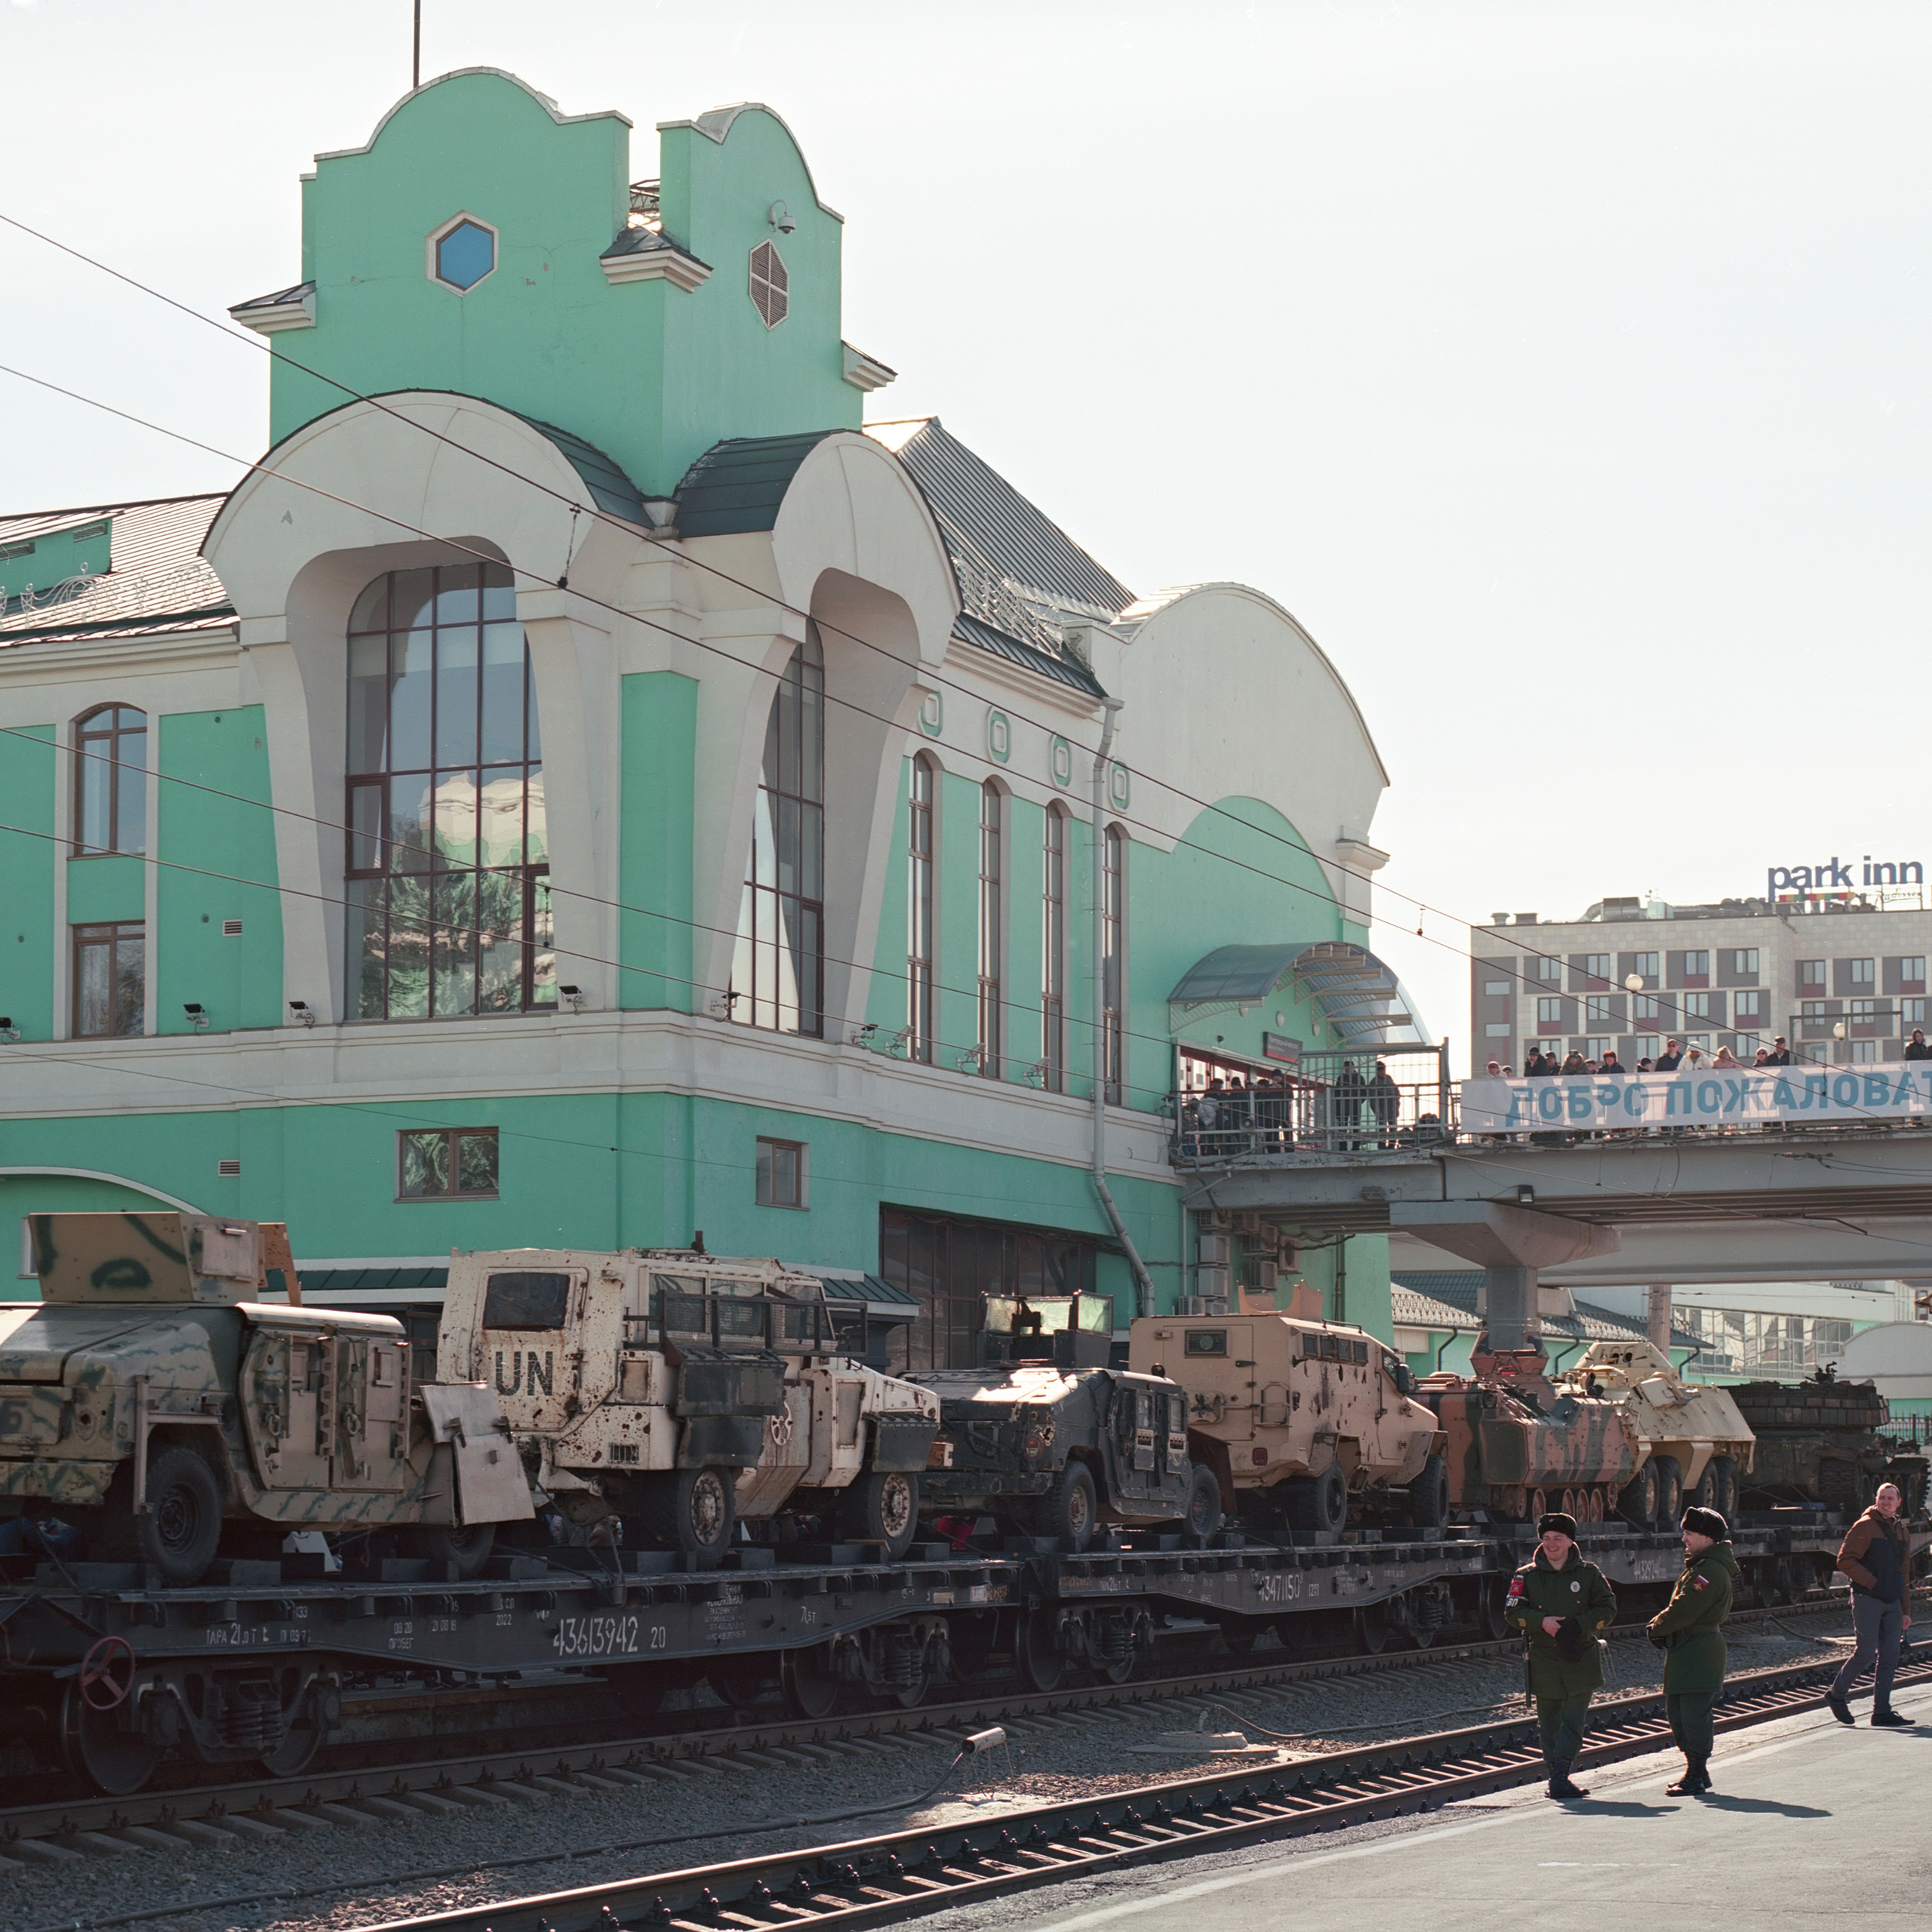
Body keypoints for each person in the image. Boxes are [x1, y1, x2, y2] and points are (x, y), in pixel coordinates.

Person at [1504, 1509, 1618, 1801]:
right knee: (1549, 1722)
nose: (1551, 1544)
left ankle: (1560, 1774)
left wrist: (1580, 1625)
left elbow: (1608, 1609)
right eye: (1546, 1539)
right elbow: (1511, 1611)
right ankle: (1558, 1776)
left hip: (1580, 1655)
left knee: (1573, 1719)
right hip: (1544, 1658)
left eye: (1558, 1538)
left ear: (1570, 1542)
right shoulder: (1525, 1576)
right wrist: (1541, 1622)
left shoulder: (1589, 1574)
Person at [1647, 1505, 1738, 1795]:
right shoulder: (1702, 1565)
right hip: (1688, 1649)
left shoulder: (1709, 1570)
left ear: (1707, 1538)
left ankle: (1696, 1774)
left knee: (1694, 1715)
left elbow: (1684, 1607)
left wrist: (1656, 1627)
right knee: (1679, 1713)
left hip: (1699, 1651)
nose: (1684, 1539)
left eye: (1689, 1533)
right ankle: (1697, 1770)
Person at [1826, 1481, 1913, 1727]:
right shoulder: (1864, 1527)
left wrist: (1906, 1610)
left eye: (1890, 1498)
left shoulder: (1902, 1531)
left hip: (1892, 1602)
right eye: (1882, 1497)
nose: (1886, 1502)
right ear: (1876, 1500)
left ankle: (1882, 1712)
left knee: (1890, 1656)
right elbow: (1845, 1561)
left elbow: (1904, 1573)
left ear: (1899, 1503)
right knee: (1865, 1653)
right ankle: (1836, 1695)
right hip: (1868, 1598)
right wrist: (1873, 1582)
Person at [1334, 1059, 1367, 1152]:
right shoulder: (1342, 1078)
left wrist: (1358, 1102)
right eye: (1346, 1069)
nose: (1347, 1070)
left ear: (1353, 1068)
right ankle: (1343, 1147)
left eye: (1349, 1068)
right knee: (1343, 1128)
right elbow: (1336, 1094)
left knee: (1355, 1126)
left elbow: (1364, 1093)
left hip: (1353, 1106)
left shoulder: (1359, 1078)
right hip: (1344, 1107)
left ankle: (1355, 1147)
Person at [1368, 1059, 1401, 1148]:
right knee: (1382, 1130)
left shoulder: (1389, 1079)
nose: (1383, 1072)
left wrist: (1397, 1105)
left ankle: (1391, 1147)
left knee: (1393, 1130)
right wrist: (1378, 1112)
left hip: (1392, 1108)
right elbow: (1373, 1099)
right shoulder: (1374, 1082)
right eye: (1381, 1071)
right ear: (1377, 1071)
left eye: (1384, 1070)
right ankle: (1382, 1148)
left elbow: (1396, 1092)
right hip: (1382, 1109)